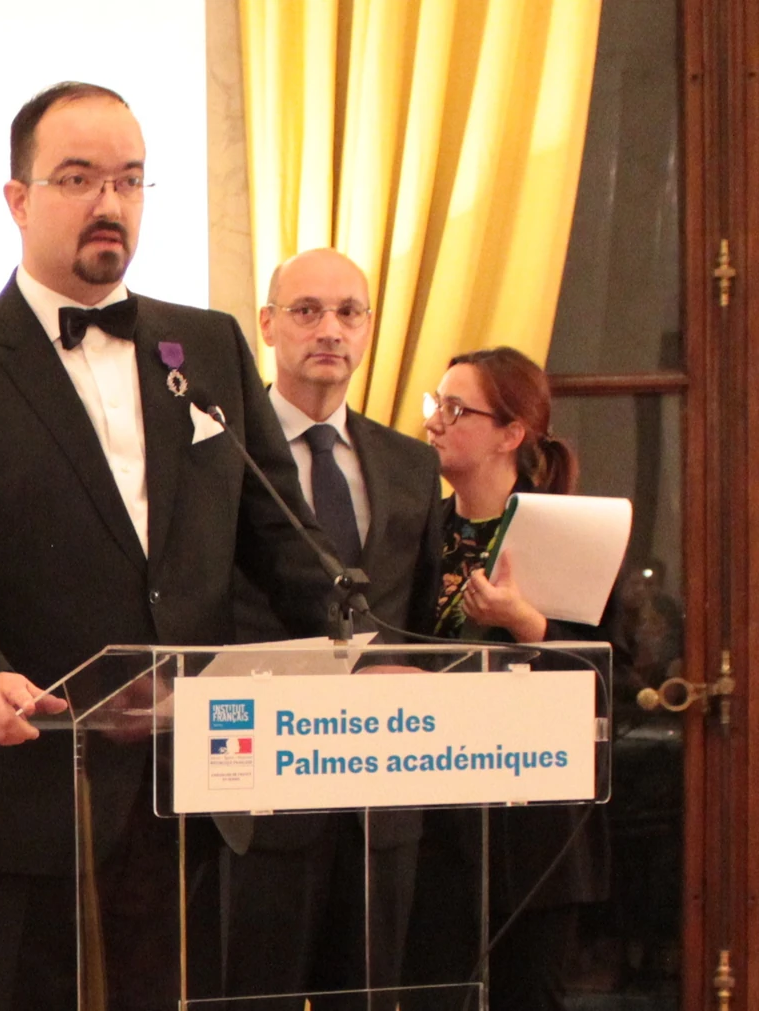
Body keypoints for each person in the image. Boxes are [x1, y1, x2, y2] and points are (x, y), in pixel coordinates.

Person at [0, 81, 335, 1011]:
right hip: (18, 788)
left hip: (187, 792)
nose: (109, 202)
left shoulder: (208, 345)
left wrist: (366, 644)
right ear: (18, 199)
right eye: (78, 178)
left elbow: (284, 539)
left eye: (129, 178)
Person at [215, 248, 442, 1008]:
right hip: (259, 798)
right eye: (307, 311)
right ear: (267, 324)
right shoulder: (217, 460)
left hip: (383, 805)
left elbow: (415, 621)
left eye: (349, 312)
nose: (330, 330)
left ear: (369, 327)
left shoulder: (411, 465)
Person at [401, 346, 610, 1011]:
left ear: (511, 433)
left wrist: (528, 624)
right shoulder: (417, 529)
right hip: (433, 817)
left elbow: (609, 677)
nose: (434, 421)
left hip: (535, 828)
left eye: (455, 409)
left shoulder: (567, 529)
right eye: (434, 403)